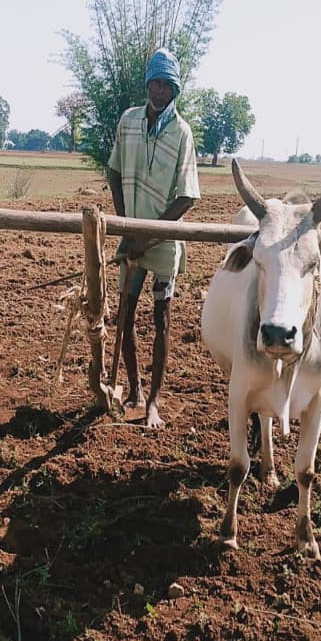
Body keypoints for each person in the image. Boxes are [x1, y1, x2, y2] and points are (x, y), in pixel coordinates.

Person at [106, 48, 200, 429]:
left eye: (167, 85)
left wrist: (147, 236)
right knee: (124, 315)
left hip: (162, 245)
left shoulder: (182, 133)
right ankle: (134, 390)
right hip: (131, 239)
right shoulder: (128, 121)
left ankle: (154, 403)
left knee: (161, 320)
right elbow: (114, 172)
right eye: (156, 83)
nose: (160, 91)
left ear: (175, 89)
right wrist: (126, 225)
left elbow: (187, 196)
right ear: (148, 84)